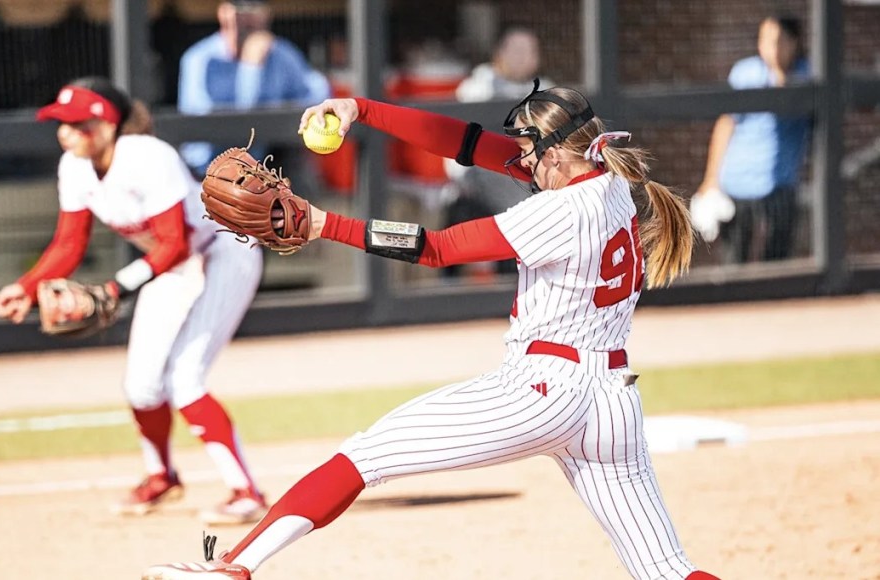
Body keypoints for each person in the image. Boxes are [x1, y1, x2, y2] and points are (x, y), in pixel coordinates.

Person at [142, 82, 719, 579]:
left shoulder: (559, 211)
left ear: (554, 154)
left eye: (527, 149)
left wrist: (323, 223)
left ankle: (233, 567)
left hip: (543, 391)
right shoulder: (609, 183)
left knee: (363, 456)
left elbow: (437, 247)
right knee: (667, 570)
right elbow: (465, 143)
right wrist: (362, 110)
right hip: (613, 402)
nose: (518, 159)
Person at [0, 77, 269, 526]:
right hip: (170, 265)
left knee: (185, 378)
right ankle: (161, 475)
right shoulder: (74, 167)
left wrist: (115, 288)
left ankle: (246, 491)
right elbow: (68, 244)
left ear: (106, 125)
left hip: (224, 251)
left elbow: (175, 242)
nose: (64, 132)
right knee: (141, 385)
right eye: (60, 123)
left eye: (75, 123)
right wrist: (25, 287)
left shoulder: (147, 157)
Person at [691, 14, 811, 263]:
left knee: (777, 263)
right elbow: (725, 125)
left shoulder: (808, 75)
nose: (771, 48)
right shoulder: (745, 72)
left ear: (795, 43)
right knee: (735, 263)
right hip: (737, 185)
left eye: (778, 41)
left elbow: (788, 100)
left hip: (779, 188)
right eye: (765, 40)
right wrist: (710, 180)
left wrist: (778, 72)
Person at [442, 27, 554, 281]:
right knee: (457, 217)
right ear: (499, 54)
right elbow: (455, 153)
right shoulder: (475, 89)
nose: (522, 57)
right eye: (515, 50)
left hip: (528, 197)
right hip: (478, 193)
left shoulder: (546, 92)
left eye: (529, 51)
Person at [177, 0, 330, 175]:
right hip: (209, 168)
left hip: (263, 165)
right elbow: (217, 126)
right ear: (223, 13)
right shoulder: (200, 59)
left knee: (296, 160)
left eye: (254, 8)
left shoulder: (280, 53)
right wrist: (251, 68)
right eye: (240, 9)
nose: (247, 17)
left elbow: (319, 95)